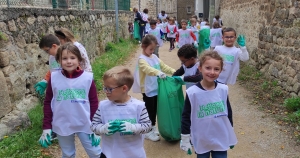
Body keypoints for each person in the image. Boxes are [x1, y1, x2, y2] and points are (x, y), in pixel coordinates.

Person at [39, 42, 101, 157]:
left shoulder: (87, 78)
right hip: (62, 123)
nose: (69, 61)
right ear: (59, 60)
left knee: (95, 153)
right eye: (64, 58)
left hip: (85, 123)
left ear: (79, 59)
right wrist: (47, 127)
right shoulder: (54, 78)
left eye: (72, 57)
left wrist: (96, 125)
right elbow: (48, 103)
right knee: (68, 154)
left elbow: (93, 102)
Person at [180, 51, 237, 158]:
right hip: (201, 138)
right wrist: (185, 138)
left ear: (221, 70)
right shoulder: (192, 93)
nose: (212, 72)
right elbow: (186, 116)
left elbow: (228, 112)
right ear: (200, 68)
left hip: (220, 136)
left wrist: (230, 133)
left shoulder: (223, 89)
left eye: (216, 69)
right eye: (208, 68)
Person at [91, 66, 152, 158]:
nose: (106, 92)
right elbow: (94, 126)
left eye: (109, 89)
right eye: (105, 88)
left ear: (124, 88)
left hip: (133, 154)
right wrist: (103, 128)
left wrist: (133, 128)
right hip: (109, 154)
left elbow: (147, 126)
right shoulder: (103, 106)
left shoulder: (138, 106)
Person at [132, 35, 175, 142]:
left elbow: (164, 66)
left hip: (156, 88)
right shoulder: (142, 60)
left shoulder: (155, 57)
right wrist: (158, 73)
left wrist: (175, 72)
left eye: (154, 49)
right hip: (147, 90)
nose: (152, 51)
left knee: (155, 109)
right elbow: (147, 69)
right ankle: (147, 131)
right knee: (149, 110)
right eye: (150, 49)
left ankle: (152, 126)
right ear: (143, 46)